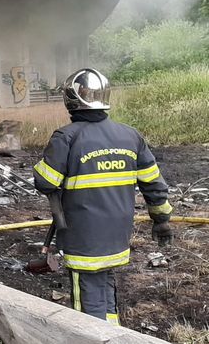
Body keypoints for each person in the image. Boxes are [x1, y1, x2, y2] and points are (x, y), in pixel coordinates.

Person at [34, 68, 173, 326]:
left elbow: (45, 182)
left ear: (71, 99)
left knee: (86, 303)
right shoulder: (130, 136)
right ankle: (113, 334)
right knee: (105, 288)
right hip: (116, 236)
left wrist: (43, 163)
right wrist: (162, 220)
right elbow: (153, 183)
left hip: (83, 238)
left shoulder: (66, 137)